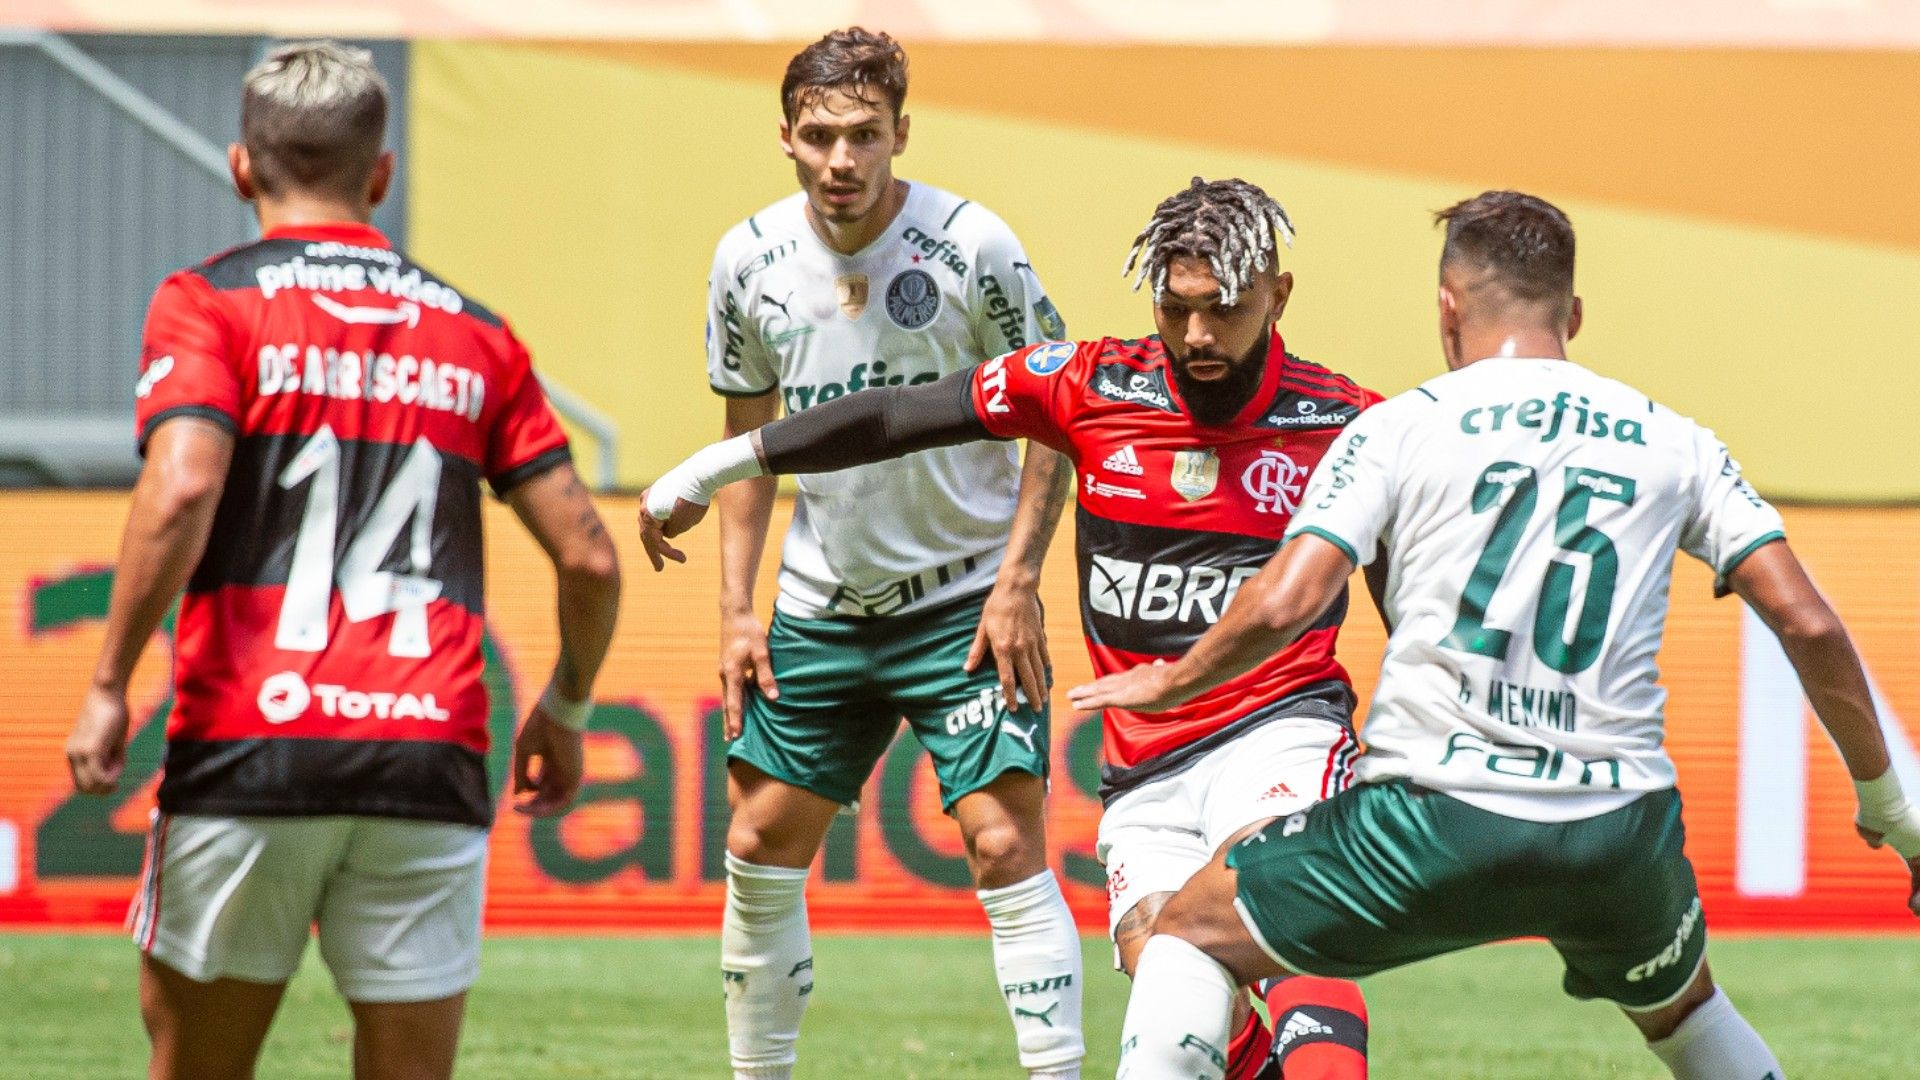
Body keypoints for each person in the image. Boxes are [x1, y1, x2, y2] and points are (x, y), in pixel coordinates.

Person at [1069, 190, 1920, 1080]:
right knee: (1688, 1017)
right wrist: (1895, 814)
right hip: (1616, 826)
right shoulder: (1677, 441)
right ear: (1575, 314)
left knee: (1186, 932)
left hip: (1434, 819)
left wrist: (1170, 681)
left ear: (1447, 308)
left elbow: (1288, 601)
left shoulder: (1394, 428)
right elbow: (1808, 621)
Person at [644, 176, 1380, 1080]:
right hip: (1146, 766)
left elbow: (1415, 588)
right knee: (1168, 1002)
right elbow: (892, 416)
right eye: (1175, 307)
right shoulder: (1090, 383)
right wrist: (714, 466)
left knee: (1279, 917)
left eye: (1222, 309)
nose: (1196, 336)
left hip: (1281, 731)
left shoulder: (1349, 424)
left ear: (1278, 294)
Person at [61, 42, 621, 1080]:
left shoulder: (209, 304)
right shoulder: (476, 335)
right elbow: (589, 558)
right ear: (382, 174)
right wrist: (569, 709)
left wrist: (107, 682)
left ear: (242, 168)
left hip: (249, 750)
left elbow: (181, 485)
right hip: (427, 752)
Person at [668, 28, 1084, 1080]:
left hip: (966, 599)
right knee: (758, 847)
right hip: (824, 602)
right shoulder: (745, 261)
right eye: (818, 137)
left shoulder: (974, 246)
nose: (840, 161)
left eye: (863, 135)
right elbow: (746, 446)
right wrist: (735, 610)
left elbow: (1054, 411)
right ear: (785, 136)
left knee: (1002, 844)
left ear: (901, 131)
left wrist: (1022, 581)